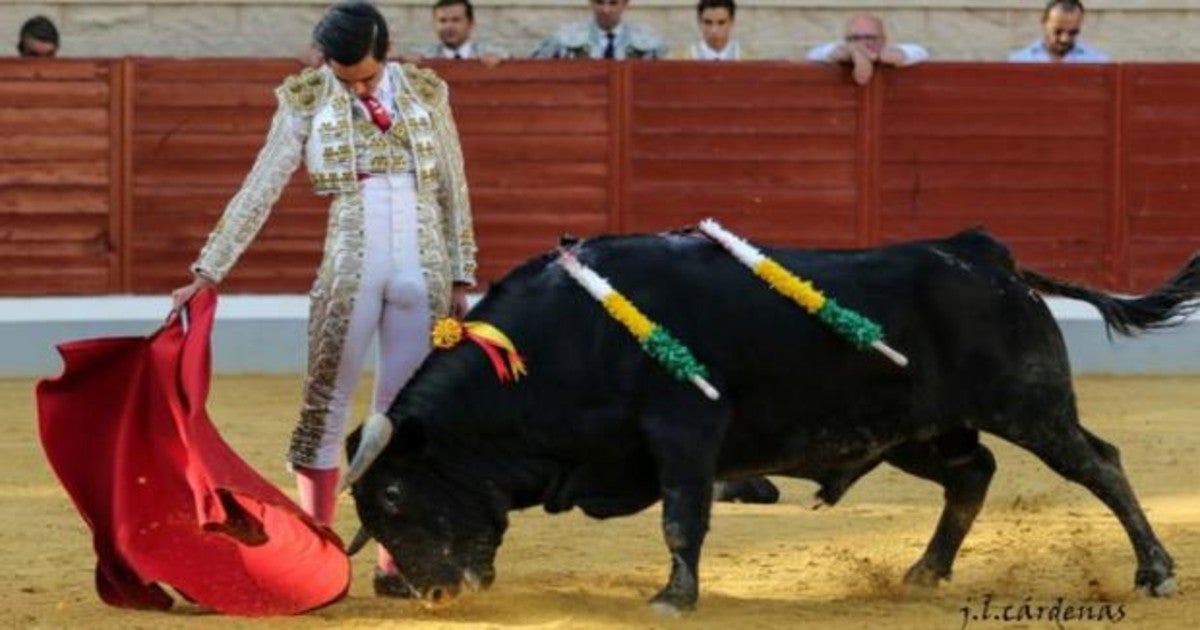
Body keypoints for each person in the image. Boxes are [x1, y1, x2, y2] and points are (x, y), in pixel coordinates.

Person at [169, 0, 477, 596]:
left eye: (365, 74)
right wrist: (209, 270)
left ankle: (397, 561)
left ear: (385, 53)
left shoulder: (426, 91)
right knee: (324, 407)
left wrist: (462, 276)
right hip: (350, 265)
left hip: (425, 266)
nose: (357, 87)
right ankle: (318, 564)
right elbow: (260, 187)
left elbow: (452, 185)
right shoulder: (307, 97)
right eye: (345, 77)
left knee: (405, 418)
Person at [806, 12, 928, 85]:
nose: (862, 42)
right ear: (845, 40)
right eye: (855, 38)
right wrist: (853, 53)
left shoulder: (890, 49)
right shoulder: (841, 48)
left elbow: (921, 52)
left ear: (883, 39)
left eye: (869, 37)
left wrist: (879, 56)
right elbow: (813, 54)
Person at [532, 0, 668, 60]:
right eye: (600, 2)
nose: (605, 10)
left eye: (613, 3)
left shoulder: (649, 41)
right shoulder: (564, 38)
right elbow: (536, 70)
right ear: (590, 2)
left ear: (625, 3)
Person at [1009, 0, 1108, 63]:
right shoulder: (1020, 61)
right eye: (1058, 32)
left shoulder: (1098, 62)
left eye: (1073, 33)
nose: (1064, 39)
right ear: (1044, 22)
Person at [414, 0, 509, 66]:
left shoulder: (496, 55)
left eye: (456, 20)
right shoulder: (422, 57)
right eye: (442, 21)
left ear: (470, 23)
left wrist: (500, 63)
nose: (448, 26)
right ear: (434, 24)